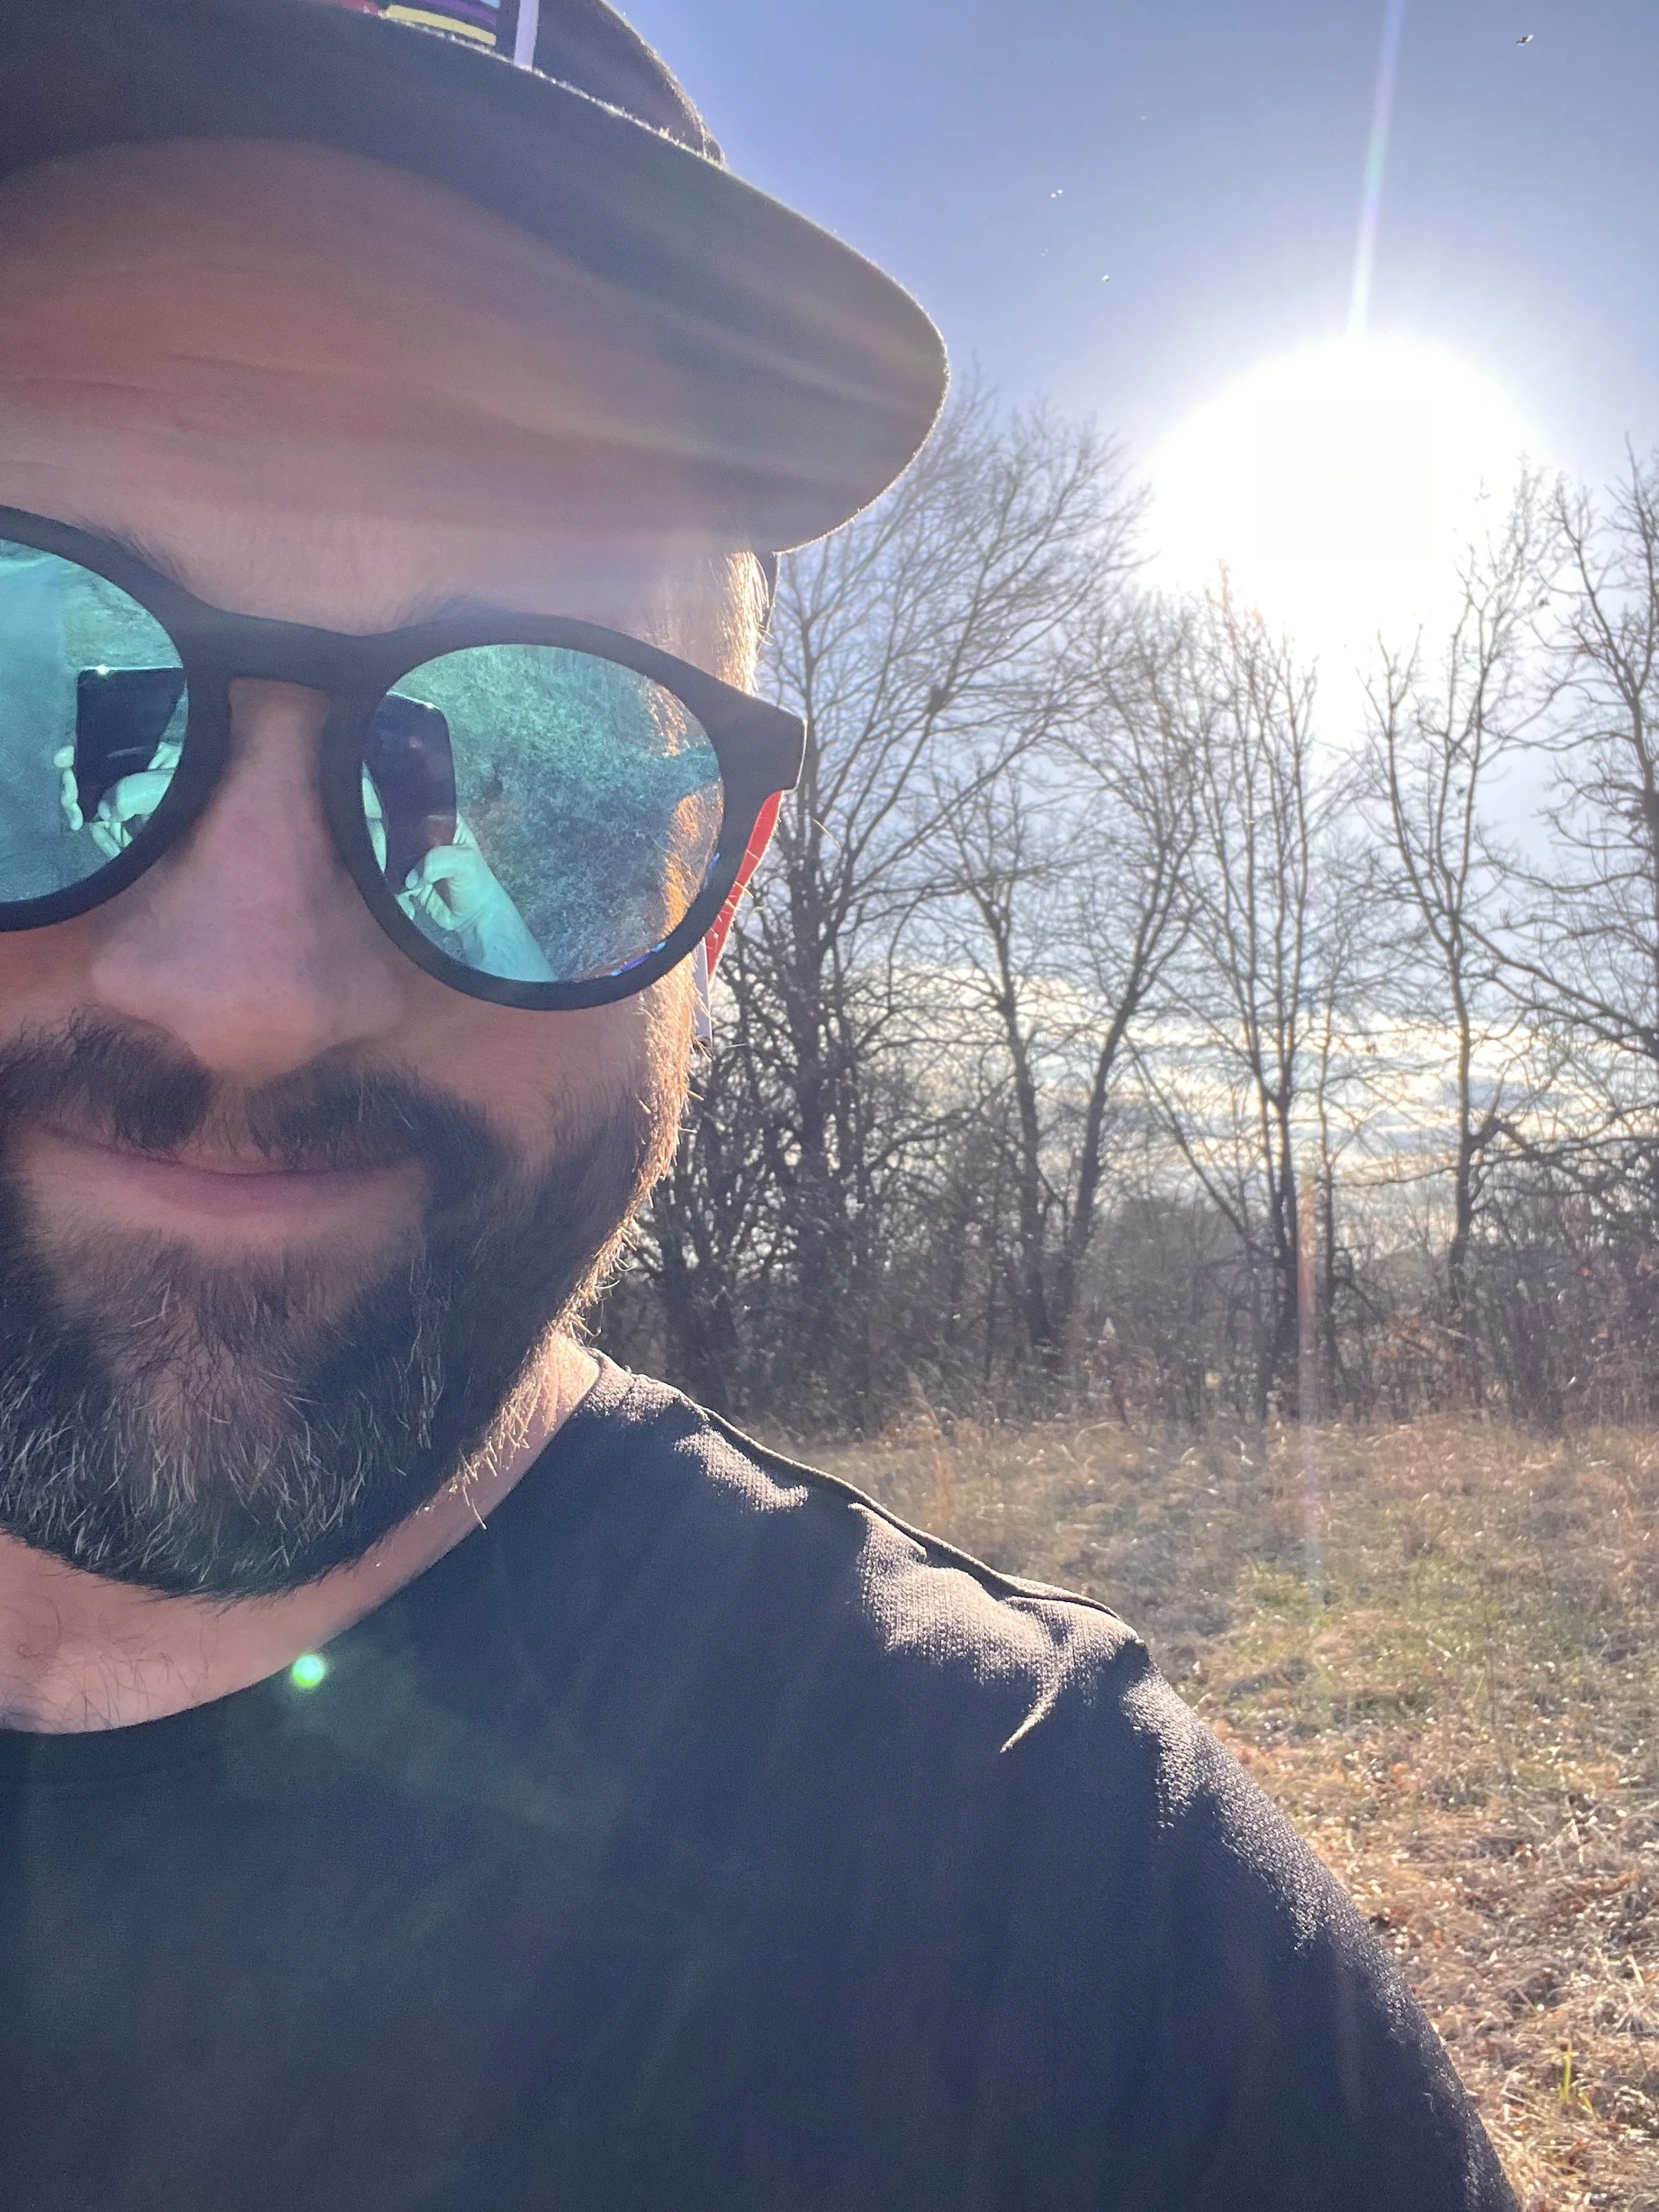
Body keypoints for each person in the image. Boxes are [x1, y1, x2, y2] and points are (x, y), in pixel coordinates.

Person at [0, 4, 1514, 2207]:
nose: (249, 993)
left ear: (717, 894)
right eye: (42, 688)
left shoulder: (1106, 1967)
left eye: (538, 773)